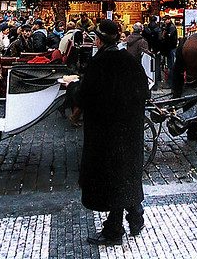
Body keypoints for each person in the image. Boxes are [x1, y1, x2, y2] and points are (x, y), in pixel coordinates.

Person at [75, 19, 149, 246]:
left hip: (107, 134)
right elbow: (145, 92)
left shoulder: (99, 63)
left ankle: (114, 230)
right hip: (130, 132)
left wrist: (73, 90)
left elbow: (85, 95)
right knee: (128, 174)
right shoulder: (129, 60)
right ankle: (136, 217)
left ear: (99, 40)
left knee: (112, 179)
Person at [160, 15, 179, 87]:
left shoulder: (171, 27)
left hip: (171, 48)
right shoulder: (168, 26)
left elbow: (168, 37)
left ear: (169, 19)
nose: (164, 21)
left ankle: (171, 82)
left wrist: (164, 35)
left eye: (165, 20)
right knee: (170, 65)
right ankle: (170, 82)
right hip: (169, 48)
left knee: (171, 65)